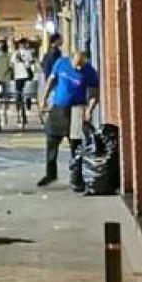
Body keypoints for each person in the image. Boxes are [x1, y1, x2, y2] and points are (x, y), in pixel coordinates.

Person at [40, 50, 101, 189]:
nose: (79, 68)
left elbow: (94, 93)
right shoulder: (61, 63)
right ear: (71, 59)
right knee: (51, 140)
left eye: (81, 65)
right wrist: (44, 98)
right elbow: (51, 80)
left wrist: (90, 110)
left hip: (76, 110)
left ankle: (77, 178)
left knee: (76, 145)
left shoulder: (90, 71)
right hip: (58, 108)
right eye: (76, 65)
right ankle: (51, 174)